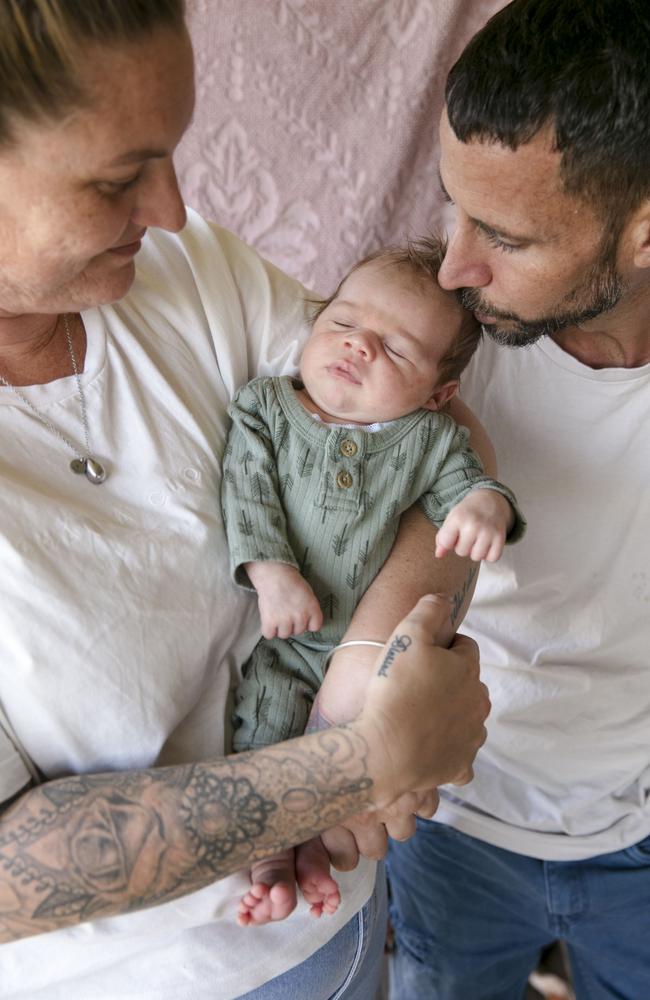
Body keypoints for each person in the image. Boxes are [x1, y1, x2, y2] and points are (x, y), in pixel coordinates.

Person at [0, 3, 493, 999]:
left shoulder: (186, 277)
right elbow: (12, 877)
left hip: (334, 926)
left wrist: (369, 671)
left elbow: (432, 429)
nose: (174, 209)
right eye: (116, 178)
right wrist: (364, 761)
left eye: (171, 155)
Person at [382, 1, 650, 998]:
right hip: (452, 828)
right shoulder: (426, 344)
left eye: (501, 233)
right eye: (453, 208)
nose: (453, 265)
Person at [221, 239, 524, 926]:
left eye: (394, 349)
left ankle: (314, 856)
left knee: (356, 776)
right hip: (285, 637)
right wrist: (271, 573)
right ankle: (271, 860)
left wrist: (486, 506)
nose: (358, 347)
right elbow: (246, 492)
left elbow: (468, 485)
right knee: (266, 730)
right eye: (343, 322)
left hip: (373, 653)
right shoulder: (265, 408)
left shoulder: (430, 438)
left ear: (438, 393)